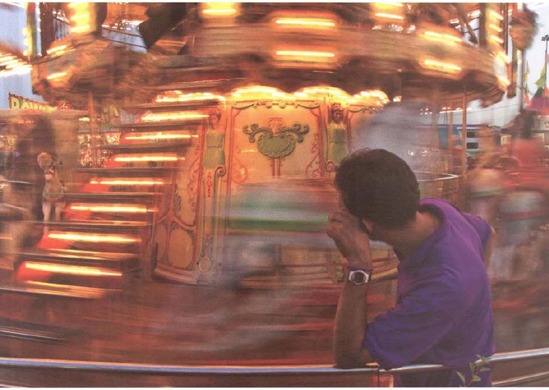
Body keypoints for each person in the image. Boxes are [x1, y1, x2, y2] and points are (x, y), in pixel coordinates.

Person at [327, 148, 495, 387]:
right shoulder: (437, 210)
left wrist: (358, 268)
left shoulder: (442, 289)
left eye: (342, 211)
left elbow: (349, 355)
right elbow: (488, 233)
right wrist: (472, 298)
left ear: (366, 223)